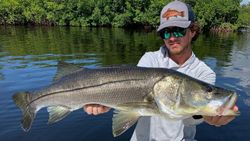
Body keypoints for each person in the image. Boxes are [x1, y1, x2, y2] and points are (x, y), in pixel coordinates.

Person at [84, 0, 239, 140]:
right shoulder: (150, 59)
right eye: (166, 32)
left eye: (178, 30)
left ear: (192, 31)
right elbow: (129, 99)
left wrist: (206, 116)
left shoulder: (204, 73)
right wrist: (106, 103)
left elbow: (189, 116)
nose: (171, 38)